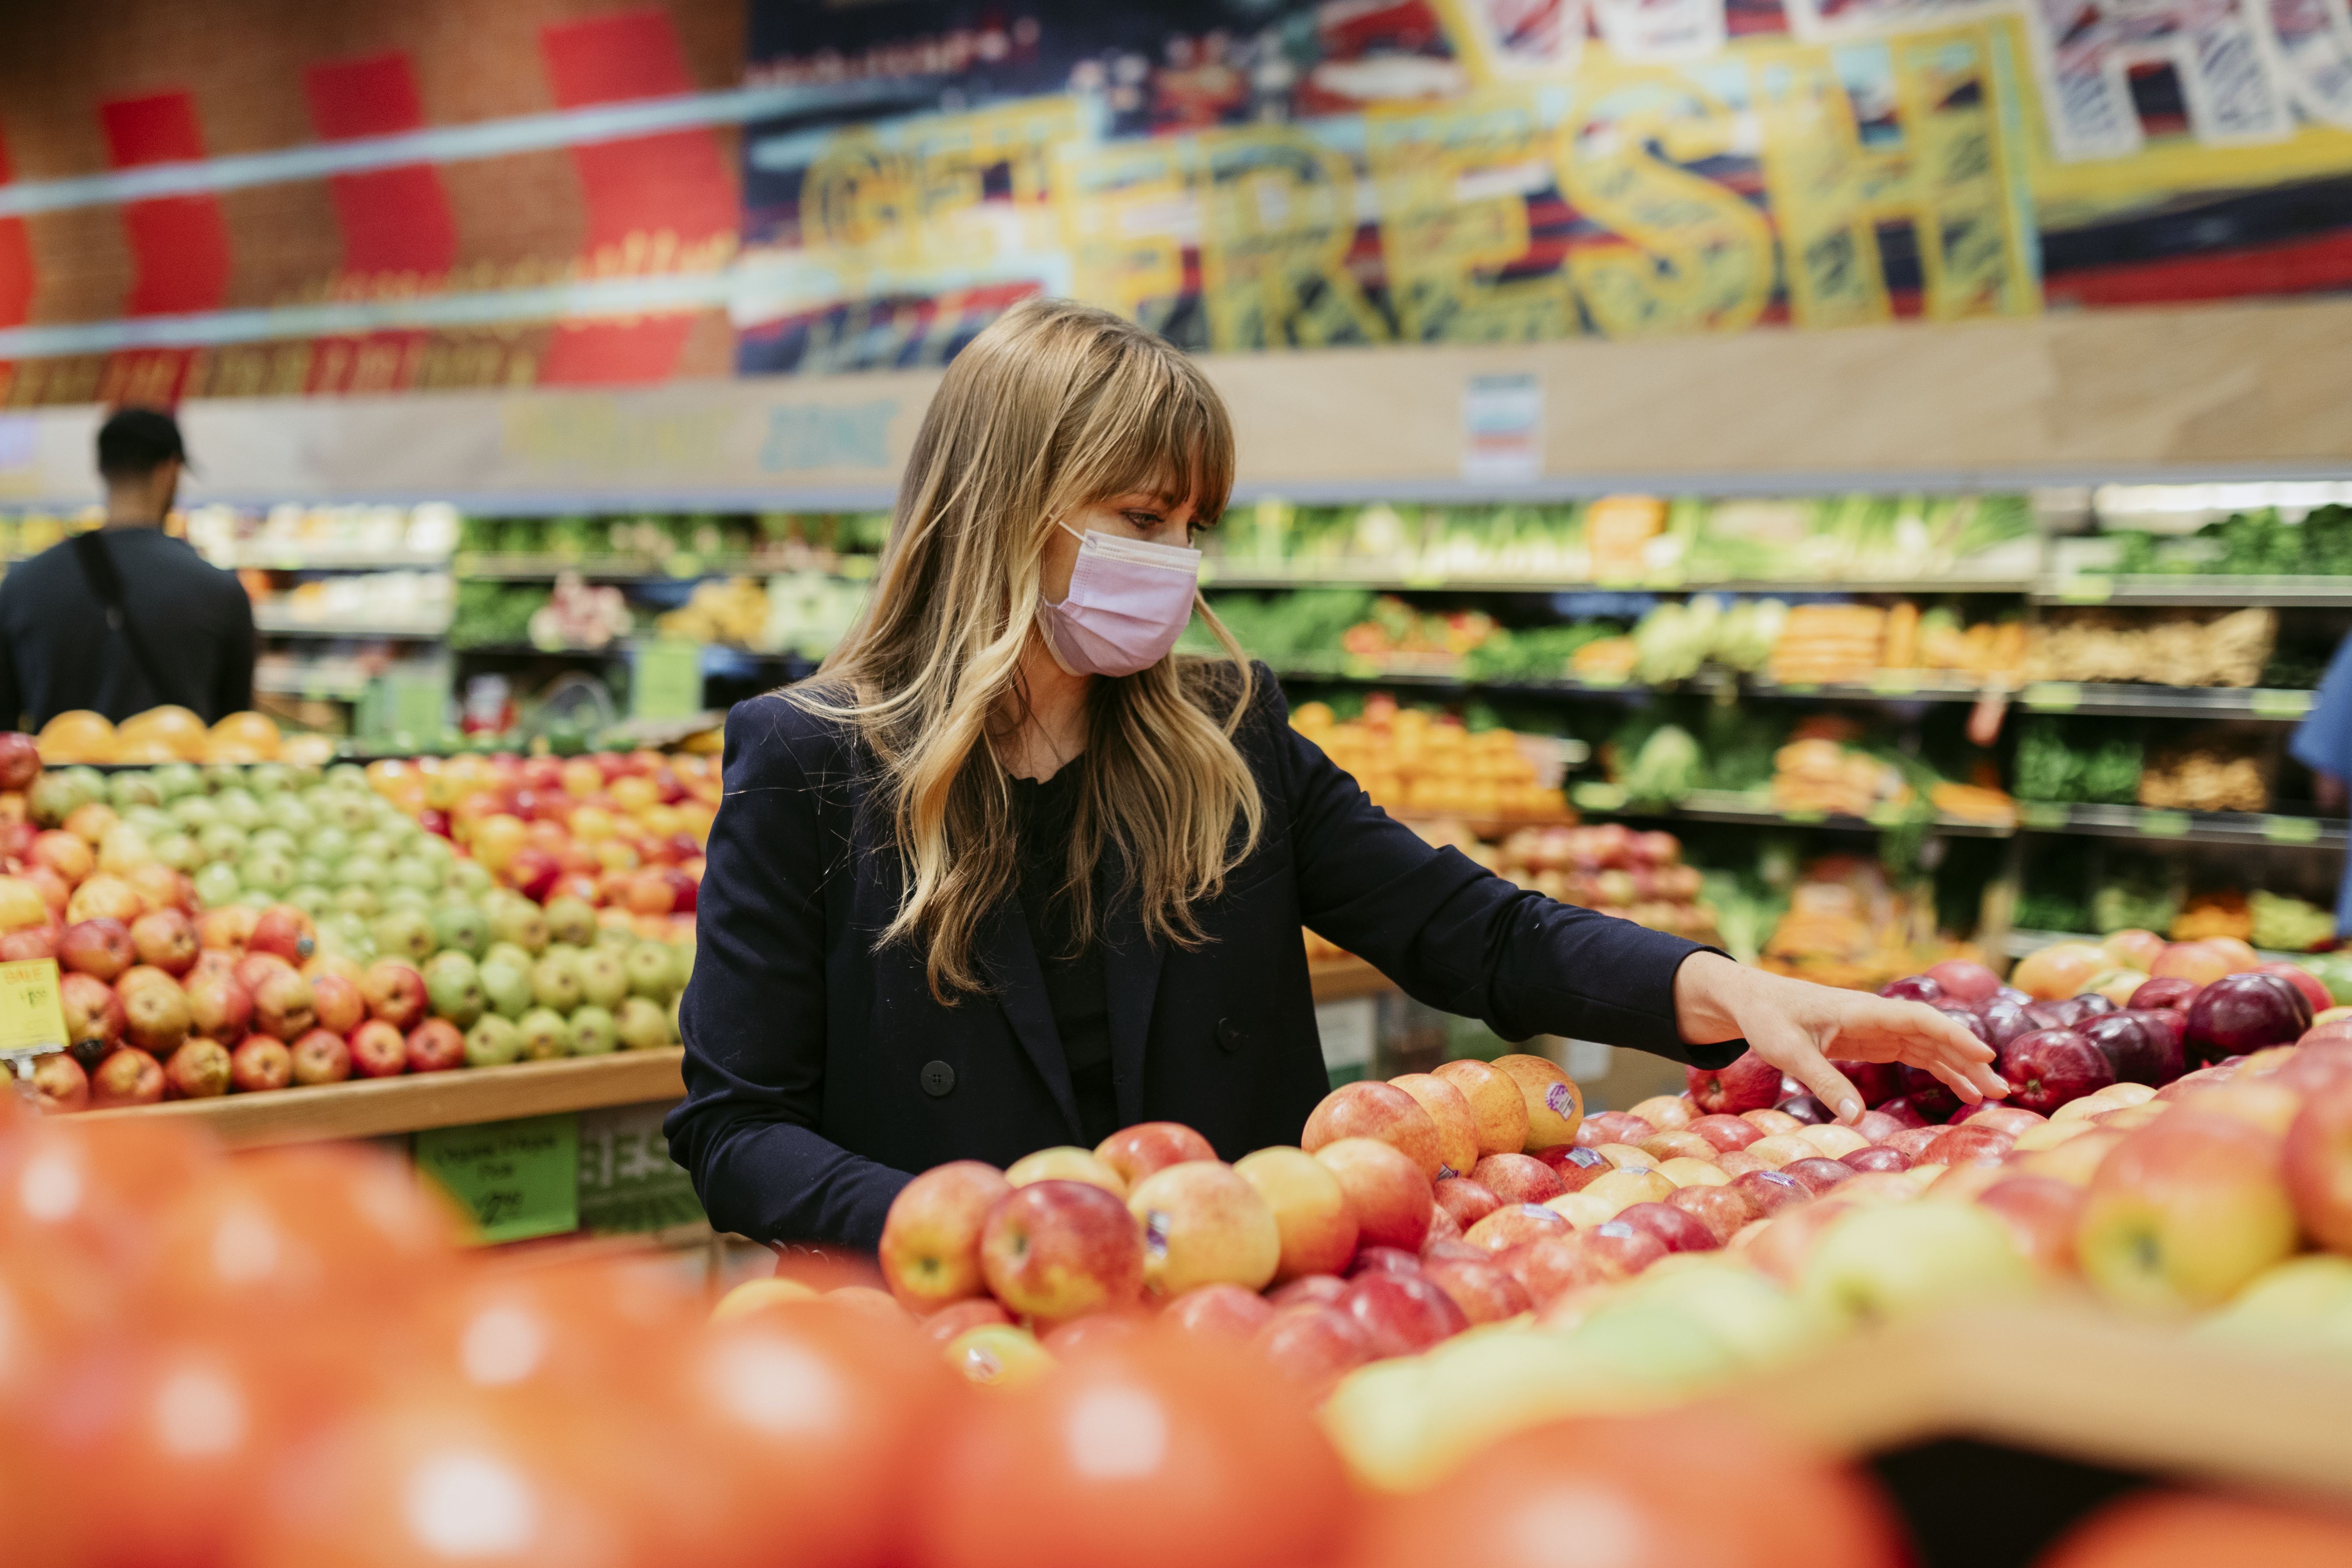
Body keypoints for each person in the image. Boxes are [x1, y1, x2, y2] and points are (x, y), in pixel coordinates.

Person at [666, 298, 2005, 1249]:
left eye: (1195, 526)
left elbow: (1467, 930)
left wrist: (1717, 987)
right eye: (1141, 520)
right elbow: (738, 1128)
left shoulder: (1223, 736)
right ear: (1007, 505)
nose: (1177, 561)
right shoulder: (813, 764)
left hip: (1252, 1313)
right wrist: (941, 1224)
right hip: (972, 1348)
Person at [0, 406, 255, 729]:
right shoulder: (220, 591)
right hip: (175, 778)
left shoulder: (22, 585)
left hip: (54, 777)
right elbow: (236, 732)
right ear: (170, 471)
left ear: (100, 469)